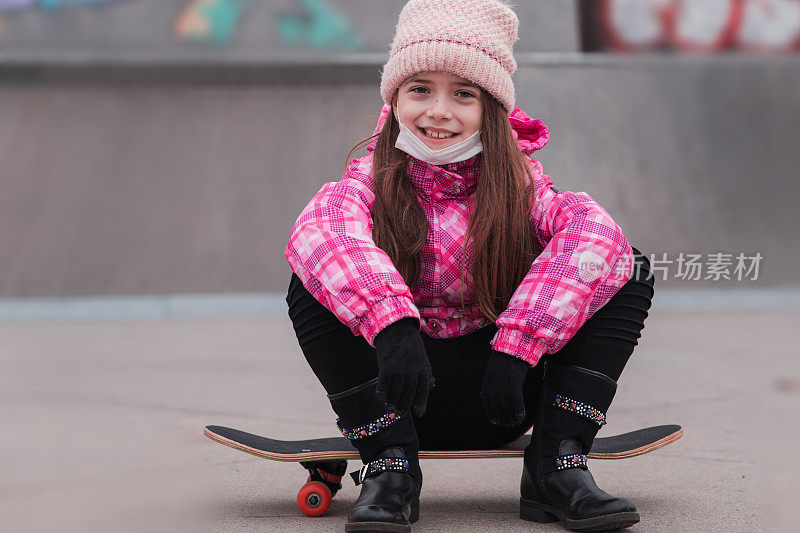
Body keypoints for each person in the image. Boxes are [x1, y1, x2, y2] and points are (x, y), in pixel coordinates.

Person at [284, 0, 655, 531]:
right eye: (421, 90)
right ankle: (389, 467)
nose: (439, 111)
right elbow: (321, 230)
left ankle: (557, 460)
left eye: (463, 94)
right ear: (395, 99)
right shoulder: (365, 181)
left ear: (492, 109)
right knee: (313, 275)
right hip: (397, 394)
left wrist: (521, 342)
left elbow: (595, 236)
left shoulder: (522, 189)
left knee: (626, 267)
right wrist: (391, 324)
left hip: (504, 391)